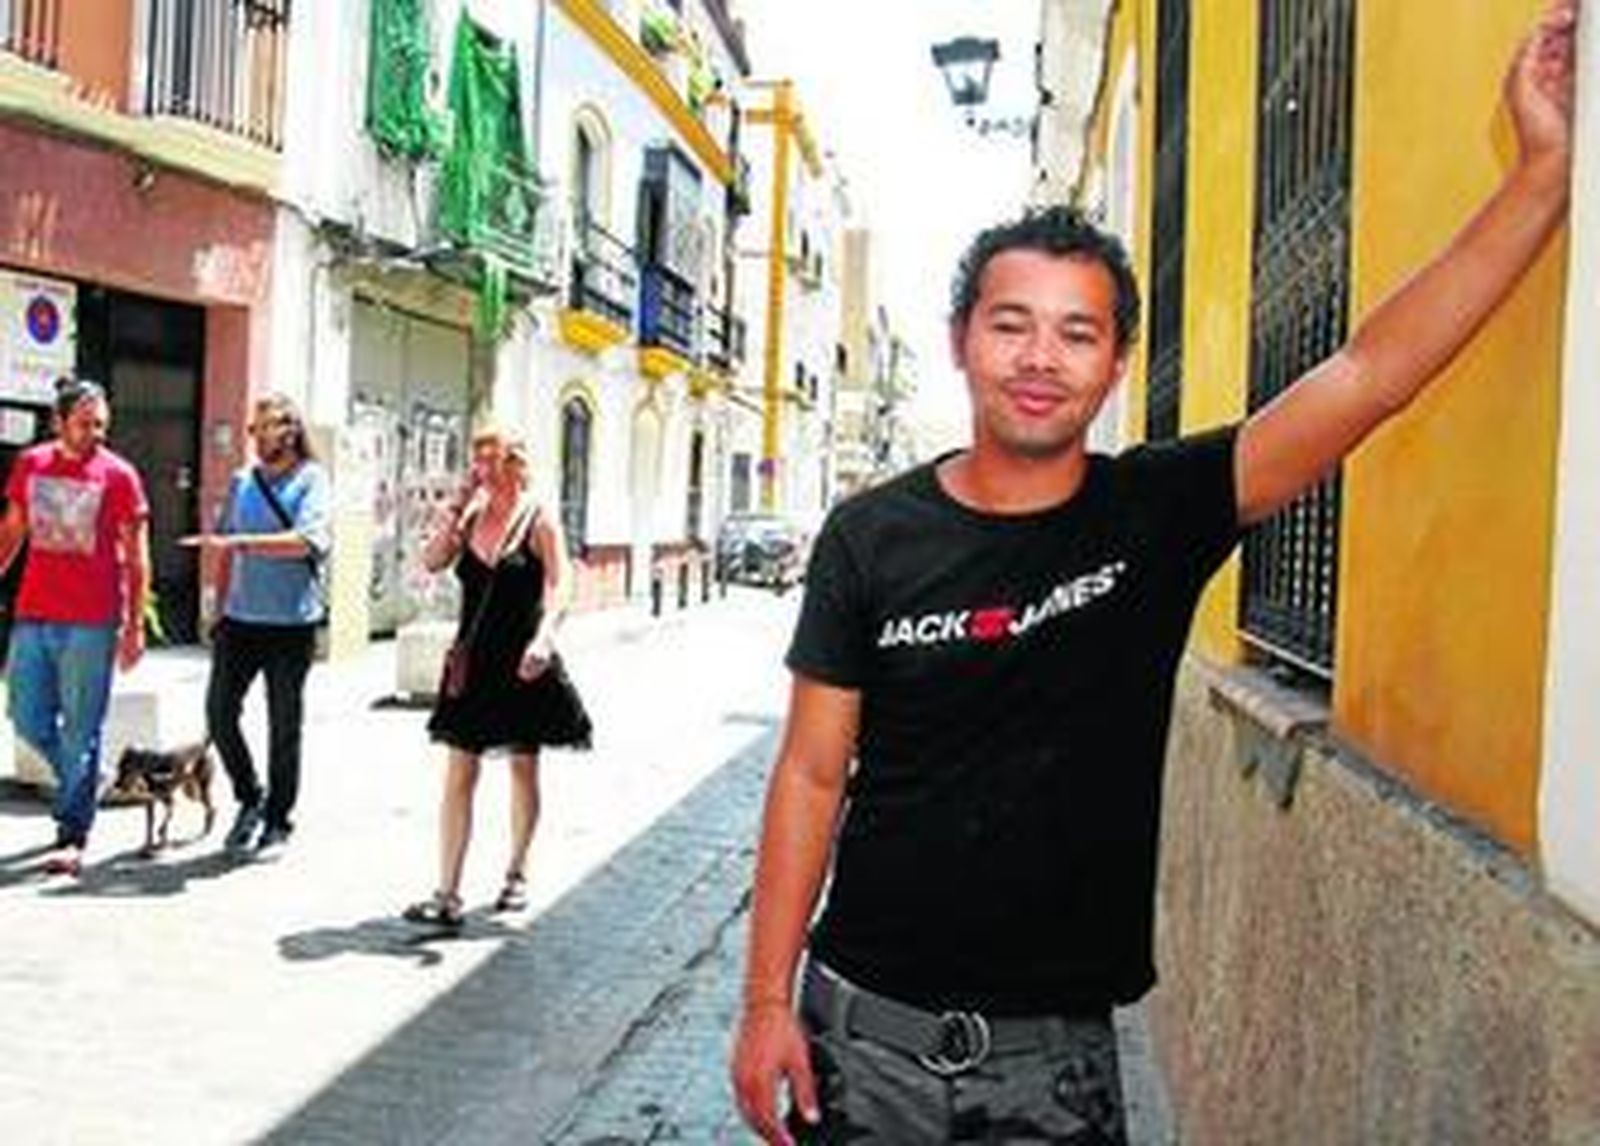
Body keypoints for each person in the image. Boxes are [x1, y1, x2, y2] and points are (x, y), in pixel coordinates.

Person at [731, 5, 1578, 1142]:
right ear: (960, 342)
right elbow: (809, 775)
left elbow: (1371, 372)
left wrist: (1540, 176)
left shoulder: (1158, 511)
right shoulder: (869, 537)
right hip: (859, 1034)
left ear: (1116, 362)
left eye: (1077, 334)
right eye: (1011, 325)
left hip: (1054, 1062)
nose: (1040, 359)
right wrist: (761, 1003)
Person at [402, 426, 592, 932]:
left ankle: (517, 870)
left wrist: (546, 637)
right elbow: (433, 561)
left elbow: (560, 581)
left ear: (514, 462)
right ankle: (447, 893)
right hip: (473, 661)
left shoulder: (537, 516)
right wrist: (454, 511)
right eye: (477, 459)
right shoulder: (470, 512)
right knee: (459, 771)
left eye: (491, 459)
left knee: (523, 768)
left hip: (522, 660)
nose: (481, 468)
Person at [0, 376, 150, 877]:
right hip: (33, 613)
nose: (96, 433)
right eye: (85, 424)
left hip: (93, 618)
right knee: (25, 716)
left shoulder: (120, 475)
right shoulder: (31, 464)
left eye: (102, 425)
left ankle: (72, 833)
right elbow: (14, 531)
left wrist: (134, 626)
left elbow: (137, 556)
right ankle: (85, 778)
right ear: (58, 422)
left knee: (82, 729)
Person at [180, 393, 331, 858]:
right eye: (254, 428)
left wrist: (242, 543)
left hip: (291, 623)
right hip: (240, 621)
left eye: (267, 427)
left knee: (284, 724)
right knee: (219, 714)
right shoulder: (243, 480)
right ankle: (250, 796)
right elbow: (224, 547)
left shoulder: (312, 479)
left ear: (289, 430)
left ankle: (278, 820)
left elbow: (305, 542)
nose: (259, 436)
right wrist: (216, 608)